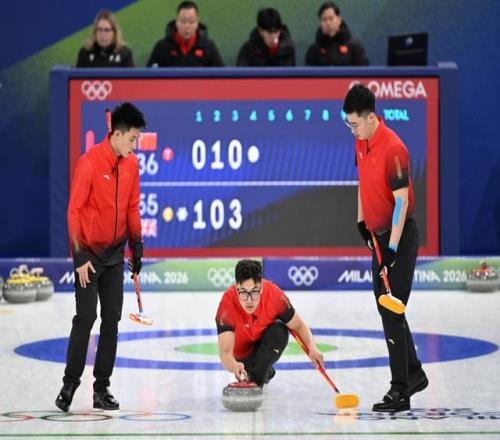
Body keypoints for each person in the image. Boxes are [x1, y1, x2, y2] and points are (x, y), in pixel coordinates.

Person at [55, 103, 146, 412]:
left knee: (112, 319)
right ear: (117, 135)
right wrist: (79, 255)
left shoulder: (132, 165)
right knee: (85, 317)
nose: (135, 145)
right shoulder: (89, 163)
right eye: (132, 139)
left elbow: (132, 207)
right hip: (89, 256)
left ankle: (101, 388)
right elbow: (74, 211)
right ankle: (69, 384)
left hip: (115, 254)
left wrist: (137, 243)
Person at [342, 84, 428, 412]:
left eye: (355, 123)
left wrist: (392, 248)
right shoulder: (360, 141)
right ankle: (414, 372)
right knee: (387, 307)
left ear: (370, 117)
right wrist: (361, 221)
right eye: (348, 124)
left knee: (392, 308)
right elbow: (363, 183)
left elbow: (402, 201)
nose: (352, 129)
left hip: (399, 239)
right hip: (378, 237)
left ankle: (400, 390)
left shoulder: (394, 148)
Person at [216, 259, 324, 387]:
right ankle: (264, 372)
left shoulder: (275, 296)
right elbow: (225, 353)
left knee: (279, 330)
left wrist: (312, 347)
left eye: (254, 292)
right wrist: (234, 365)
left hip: (265, 346)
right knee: (258, 369)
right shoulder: (227, 305)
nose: (249, 300)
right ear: (236, 287)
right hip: (243, 358)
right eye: (243, 292)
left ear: (261, 287)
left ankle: (256, 380)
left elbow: (299, 326)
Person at [147, 1, 223, 67]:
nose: (187, 26)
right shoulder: (162, 47)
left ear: (197, 23)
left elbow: (221, 75)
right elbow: (150, 74)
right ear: (176, 22)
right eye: (183, 21)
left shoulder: (209, 47)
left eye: (191, 21)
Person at [305, 2, 368, 66]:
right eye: (324, 19)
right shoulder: (314, 50)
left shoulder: (354, 47)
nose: (328, 23)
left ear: (339, 19)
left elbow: (363, 70)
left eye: (331, 18)